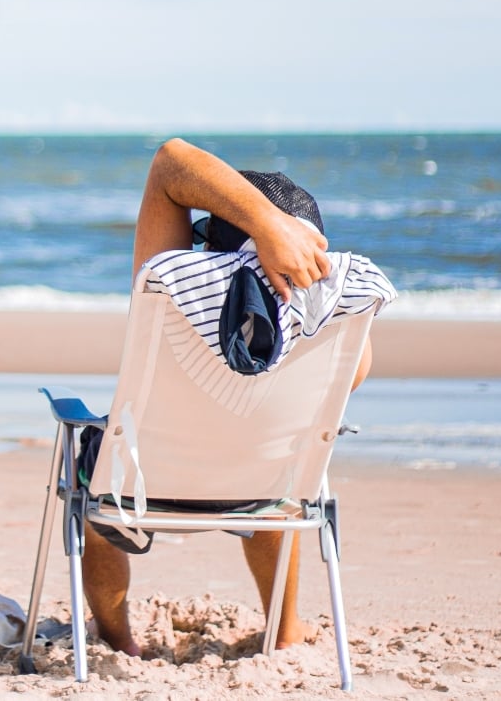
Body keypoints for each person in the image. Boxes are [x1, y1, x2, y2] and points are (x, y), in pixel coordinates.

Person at [81, 138, 392, 657]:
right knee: (282, 455)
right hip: (262, 489)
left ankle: (118, 640)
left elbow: (170, 162)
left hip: (142, 485)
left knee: (87, 468)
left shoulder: (168, 285)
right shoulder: (337, 322)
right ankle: (285, 627)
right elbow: (347, 377)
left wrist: (262, 225)